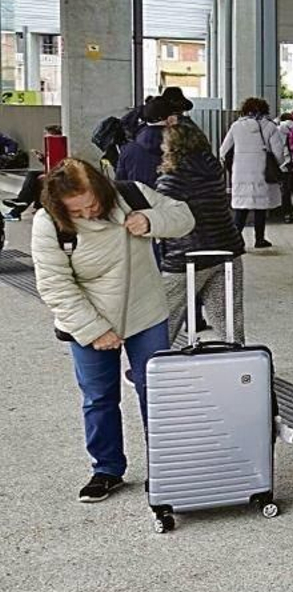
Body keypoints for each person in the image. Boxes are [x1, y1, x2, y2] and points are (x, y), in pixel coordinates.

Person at [33, 158, 195, 502]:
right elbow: (54, 286)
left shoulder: (131, 195)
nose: (87, 214)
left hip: (145, 312)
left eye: (91, 204)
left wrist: (151, 219)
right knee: (98, 397)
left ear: (101, 190)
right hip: (89, 320)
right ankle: (106, 469)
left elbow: (184, 217)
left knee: (156, 393)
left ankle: (165, 467)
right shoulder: (48, 223)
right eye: (76, 211)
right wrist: (94, 331)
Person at [156, 121, 246, 346]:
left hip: (186, 256)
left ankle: (150, 367)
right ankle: (243, 364)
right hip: (227, 249)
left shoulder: (172, 178)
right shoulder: (214, 169)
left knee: (165, 316)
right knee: (227, 318)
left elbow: (162, 217)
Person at [218, 97, 288, 250]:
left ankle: (235, 240)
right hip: (261, 172)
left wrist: (234, 163)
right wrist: (279, 164)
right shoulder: (270, 127)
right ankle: (260, 239)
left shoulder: (236, 126)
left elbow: (223, 150)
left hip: (241, 172)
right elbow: (278, 152)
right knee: (260, 208)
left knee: (241, 208)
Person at [115, 95, 179, 185]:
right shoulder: (181, 146)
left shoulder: (128, 149)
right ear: (170, 119)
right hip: (171, 198)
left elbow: (120, 183)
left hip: (139, 198)